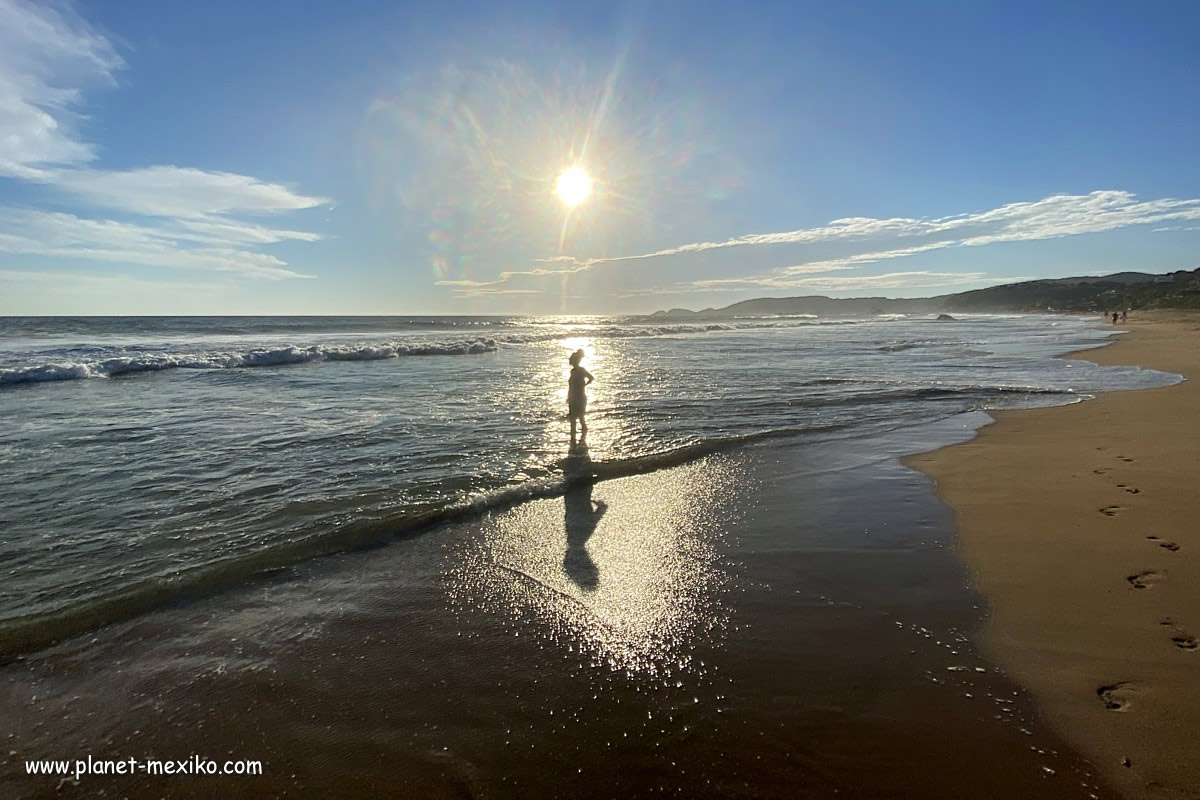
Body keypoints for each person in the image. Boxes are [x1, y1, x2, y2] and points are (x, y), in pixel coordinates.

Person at [567, 349, 594, 443]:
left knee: (577, 418)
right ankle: (576, 439)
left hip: (579, 397)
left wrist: (584, 385)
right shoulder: (574, 371)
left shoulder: (579, 370)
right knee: (576, 418)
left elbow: (591, 378)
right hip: (575, 397)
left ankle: (577, 439)